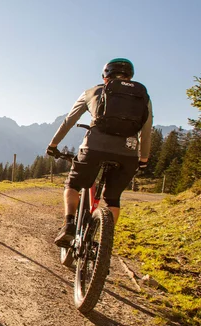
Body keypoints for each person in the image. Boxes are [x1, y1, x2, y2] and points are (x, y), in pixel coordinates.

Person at [47, 58, 152, 247]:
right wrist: (143, 158)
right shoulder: (142, 95)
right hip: (127, 153)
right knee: (113, 199)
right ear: (130, 76)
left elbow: (69, 121)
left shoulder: (92, 91)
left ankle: (69, 225)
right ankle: (105, 243)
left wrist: (53, 144)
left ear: (105, 77)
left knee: (73, 184)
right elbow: (146, 129)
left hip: (94, 148)